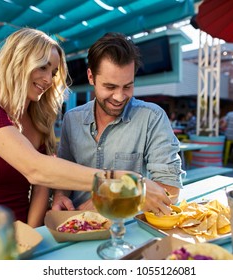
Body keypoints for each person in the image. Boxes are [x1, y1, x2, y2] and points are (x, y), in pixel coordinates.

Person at [0, 28, 172, 227]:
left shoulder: (38, 120)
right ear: (16, 62)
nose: (48, 79)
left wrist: (32, 235)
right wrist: (123, 181)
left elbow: (41, 187)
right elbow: (37, 169)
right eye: (42, 67)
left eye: (54, 72)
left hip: (18, 236)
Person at [51, 32, 184, 212]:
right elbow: (64, 174)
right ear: (91, 77)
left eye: (127, 86)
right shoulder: (72, 119)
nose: (120, 97)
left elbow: (170, 190)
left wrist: (107, 202)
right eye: (110, 87)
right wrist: (60, 196)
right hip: (75, 224)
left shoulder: (151, 117)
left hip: (127, 230)